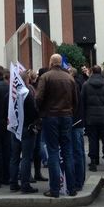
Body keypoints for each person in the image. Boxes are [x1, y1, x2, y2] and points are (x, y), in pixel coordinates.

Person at [36, 54, 77, 198]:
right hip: (66, 116)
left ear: (51, 62)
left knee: (53, 152)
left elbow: (39, 98)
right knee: (67, 152)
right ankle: (72, 188)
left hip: (50, 116)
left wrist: (41, 112)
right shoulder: (70, 78)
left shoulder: (45, 77)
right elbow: (75, 99)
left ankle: (55, 189)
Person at [9, 69, 40, 194]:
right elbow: (33, 111)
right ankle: (25, 184)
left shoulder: (13, 93)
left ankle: (13, 183)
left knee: (15, 157)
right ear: (26, 80)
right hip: (27, 128)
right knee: (26, 157)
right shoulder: (27, 93)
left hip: (15, 127)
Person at [81, 65, 104, 172]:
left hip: (90, 117)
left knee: (92, 139)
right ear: (100, 72)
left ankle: (93, 162)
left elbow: (82, 101)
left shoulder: (86, 85)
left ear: (91, 72)